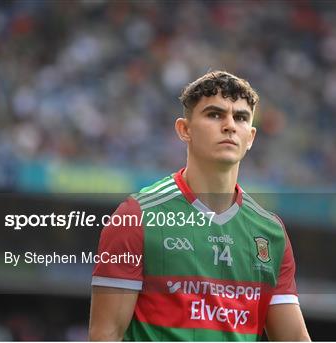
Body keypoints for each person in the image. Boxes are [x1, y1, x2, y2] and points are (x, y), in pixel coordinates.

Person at [88, 70, 311, 341]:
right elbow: (105, 334)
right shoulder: (136, 217)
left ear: (251, 137)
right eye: (215, 114)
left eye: (240, 117)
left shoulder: (270, 233)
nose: (229, 125)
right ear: (185, 129)